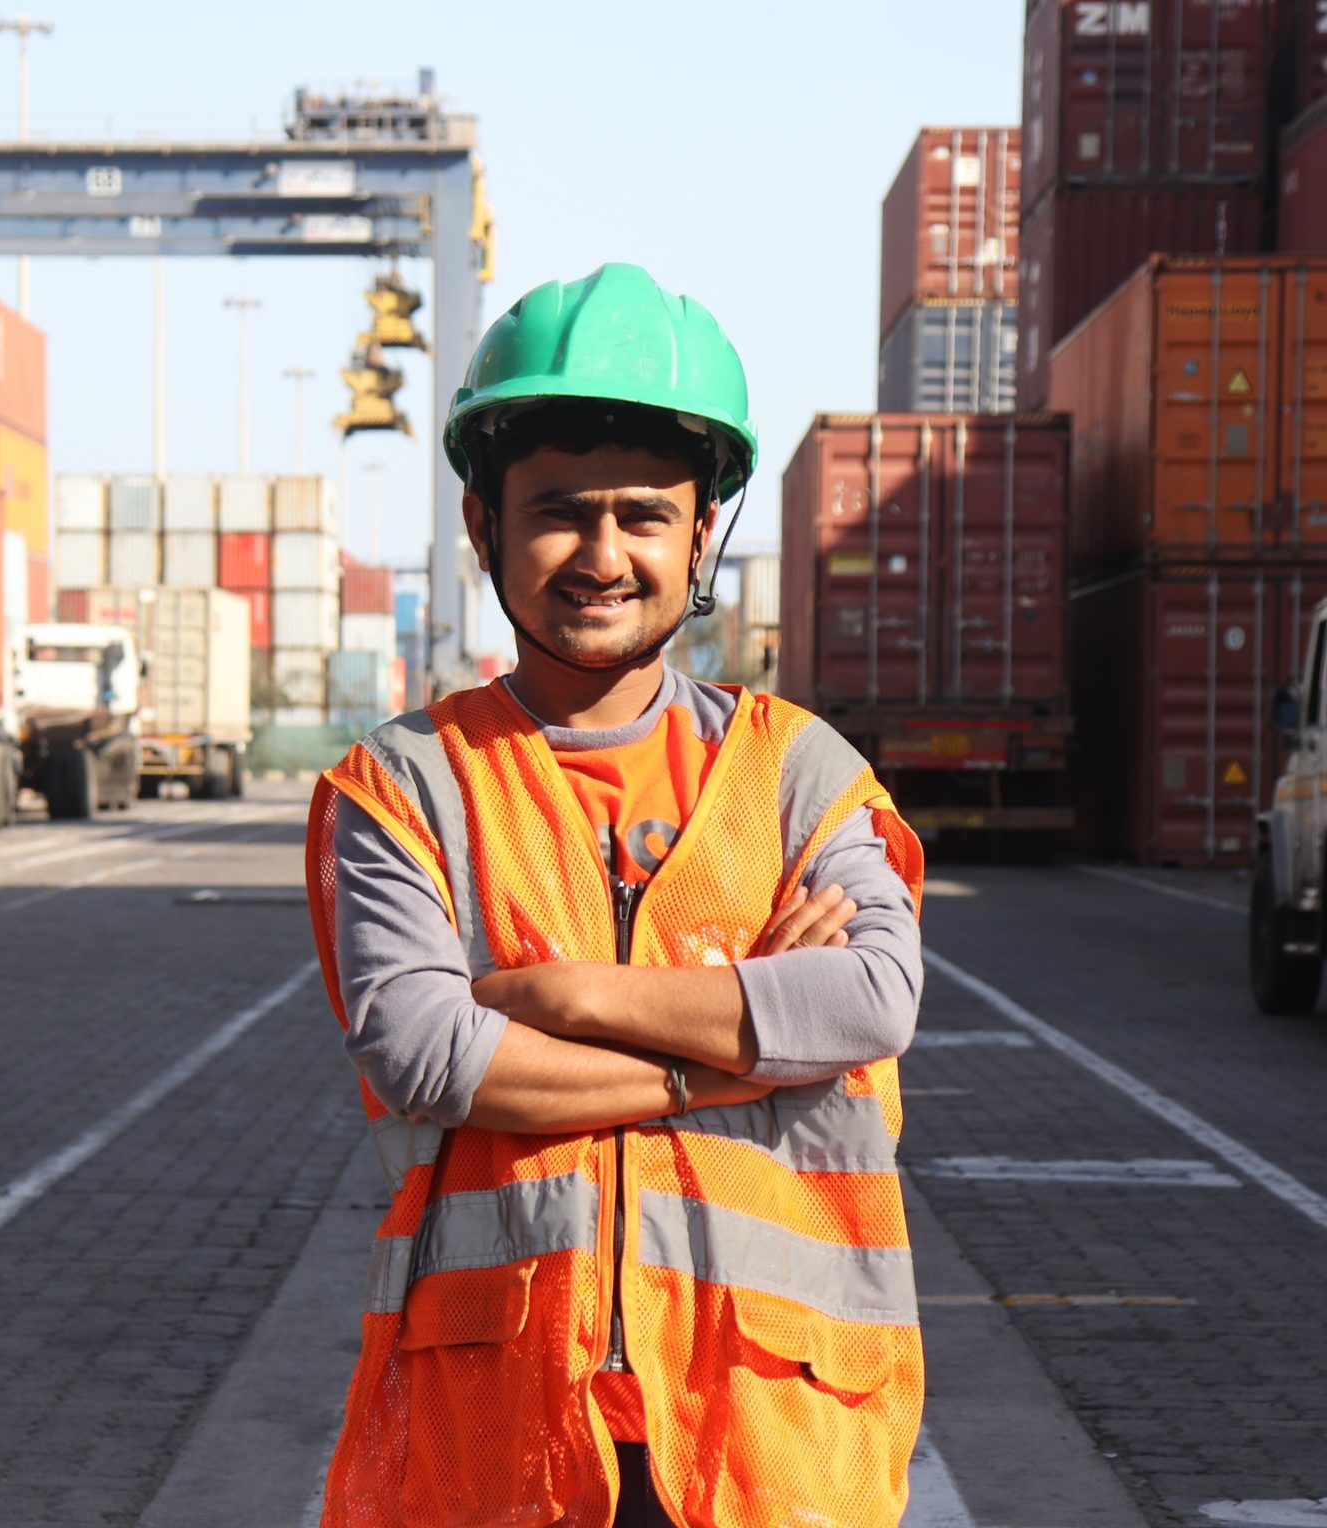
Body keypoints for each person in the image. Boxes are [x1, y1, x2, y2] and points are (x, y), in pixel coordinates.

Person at [304, 263, 927, 1528]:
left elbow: (870, 996)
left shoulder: (800, 771)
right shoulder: (404, 787)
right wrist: (741, 1051)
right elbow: (428, 1051)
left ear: (703, 536)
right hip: (512, 1432)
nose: (601, 554)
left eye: (644, 515)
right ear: (483, 529)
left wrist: (571, 996)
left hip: (770, 1433)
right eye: (557, 512)